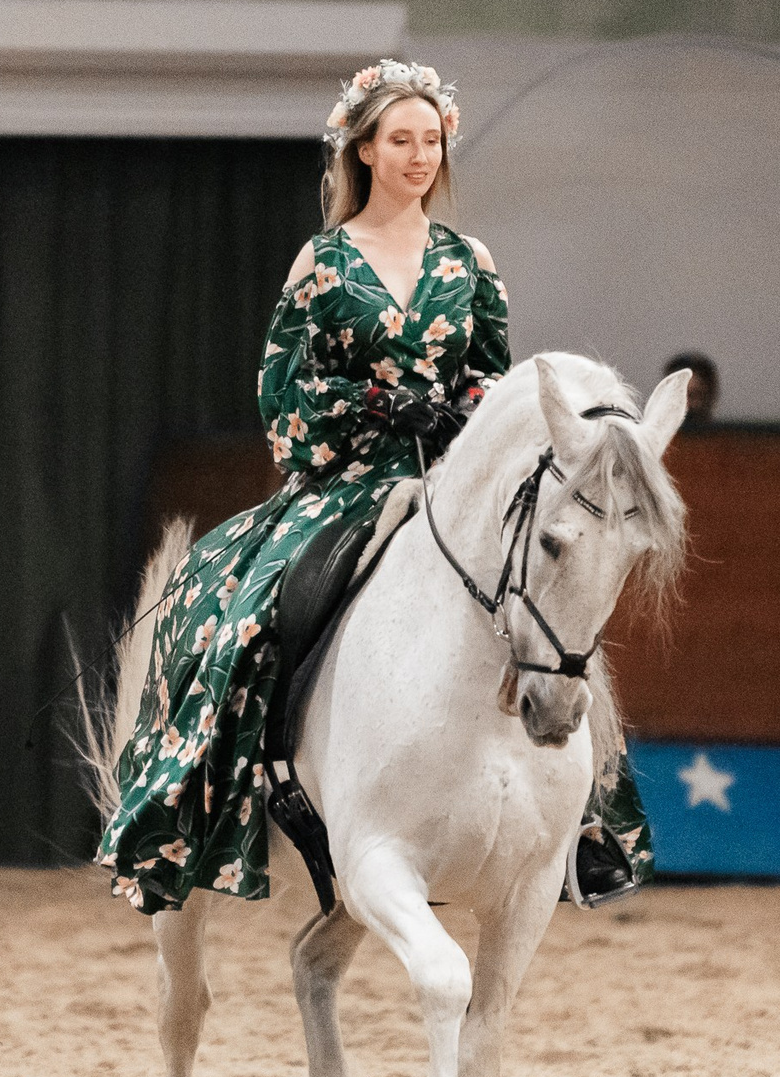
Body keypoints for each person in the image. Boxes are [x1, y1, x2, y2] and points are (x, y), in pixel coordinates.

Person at [95, 58, 653, 913]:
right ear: (363, 149)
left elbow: (498, 389)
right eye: (401, 140)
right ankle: (214, 800)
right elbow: (282, 394)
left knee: (553, 601)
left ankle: (588, 823)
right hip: (344, 479)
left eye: (431, 140)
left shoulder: (471, 263)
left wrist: (452, 410)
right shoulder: (321, 263)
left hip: (451, 480)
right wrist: (376, 406)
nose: (419, 155)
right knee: (238, 615)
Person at [663, 351, 719, 426]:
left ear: (711, 395)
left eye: (693, 396)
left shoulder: (725, 436)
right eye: (677, 395)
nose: (685, 404)